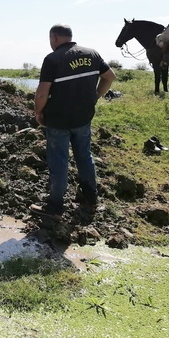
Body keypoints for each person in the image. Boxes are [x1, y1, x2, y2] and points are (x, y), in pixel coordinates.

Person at [30, 24, 116, 220]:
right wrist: (95, 96)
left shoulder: (53, 59)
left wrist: (38, 112)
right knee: (85, 156)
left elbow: (43, 92)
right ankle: (90, 198)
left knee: (59, 160)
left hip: (58, 120)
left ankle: (55, 206)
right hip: (83, 117)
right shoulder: (92, 54)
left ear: (54, 38)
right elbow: (110, 77)